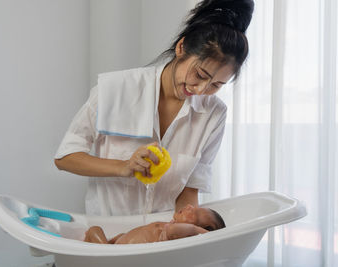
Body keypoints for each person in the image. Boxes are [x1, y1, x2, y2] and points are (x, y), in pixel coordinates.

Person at [54, 0, 254, 216]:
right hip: (109, 235)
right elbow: (65, 157)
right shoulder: (116, 89)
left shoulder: (214, 114)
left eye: (216, 85)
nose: (201, 89)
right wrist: (123, 167)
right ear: (181, 47)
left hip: (162, 236)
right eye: (200, 75)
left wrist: (186, 232)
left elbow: (189, 191)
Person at [84, 204, 226, 244]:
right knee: (96, 231)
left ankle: (99, 249)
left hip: (115, 255)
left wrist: (199, 233)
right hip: (117, 244)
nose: (189, 206)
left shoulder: (177, 234)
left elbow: (185, 230)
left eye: (195, 213)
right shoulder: (171, 226)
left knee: (94, 230)